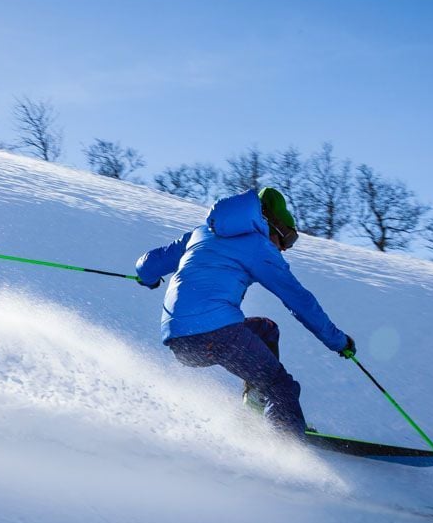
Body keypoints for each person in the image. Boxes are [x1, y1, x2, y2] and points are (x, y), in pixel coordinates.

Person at [135, 187, 355, 441]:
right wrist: (338, 341)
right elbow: (299, 300)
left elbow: (148, 264)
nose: (284, 249)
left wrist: (148, 279)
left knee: (266, 329)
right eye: (287, 240)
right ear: (273, 225)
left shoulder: (201, 233)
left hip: (180, 342)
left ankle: (254, 412)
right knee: (280, 386)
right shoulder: (258, 247)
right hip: (218, 333)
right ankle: (286, 445)